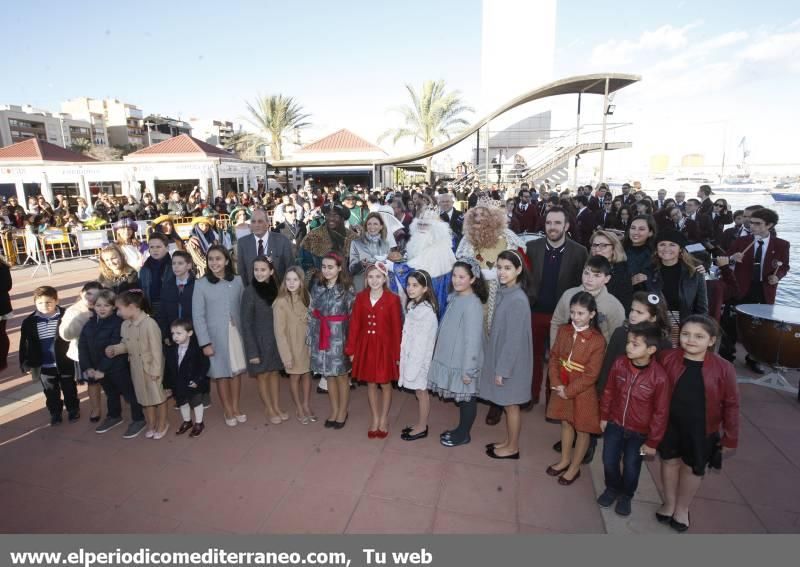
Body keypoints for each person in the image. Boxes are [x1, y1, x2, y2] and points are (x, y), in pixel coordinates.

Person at [656, 316, 740, 532]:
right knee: (669, 462)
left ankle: (682, 508)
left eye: (699, 336)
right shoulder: (666, 358)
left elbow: (731, 404)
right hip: (670, 425)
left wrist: (730, 437)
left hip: (702, 429)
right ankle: (669, 502)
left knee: (692, 468)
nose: (691, 340)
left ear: (711, 340)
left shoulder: (724, 368)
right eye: (686, 334)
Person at [597, 323, 670, 516]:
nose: (629, 347)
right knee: (608, 460)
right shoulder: (620, 363)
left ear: (651, 349)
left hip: (639, 433)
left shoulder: (660, 378)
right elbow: (609, 391)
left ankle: (626, 495)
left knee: (631, 466)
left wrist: (653, 441)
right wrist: (604, 416)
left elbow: (660, 412)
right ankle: (612, 488)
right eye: (629, 342)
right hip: (615, 424)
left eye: (635, 344)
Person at [523, 206, 588, 409]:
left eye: (557, 223)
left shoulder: (579, 252)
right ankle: (530, 396)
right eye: (549, 222)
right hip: (535, 312)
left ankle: (553, 401)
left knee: (558, 360)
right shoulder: (532, 247)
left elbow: (581, 285)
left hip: (562, 317)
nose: (552, 227)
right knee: (531, 358)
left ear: (566, 226)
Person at [546, 292, 606, 485]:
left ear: (592, 314)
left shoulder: (597, 340)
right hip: (561, 384)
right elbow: (554, 357)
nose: (575, 317)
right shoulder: (564, 330)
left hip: (582, 390)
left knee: (582, 429)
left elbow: (591, 374)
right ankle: (564, 459)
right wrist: (557, 383)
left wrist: (569, 390)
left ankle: (575, 467)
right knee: (566, 422)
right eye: (573, 312)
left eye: (581, 313)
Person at [721, 208, 790, 372]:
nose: (753, 227)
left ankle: (753, 358)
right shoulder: (741, 241)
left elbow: (784, 266)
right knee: (730, 324)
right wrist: (732, 258)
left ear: (770, 225)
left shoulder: (781, 245)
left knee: (760, 327)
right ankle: (726, 358)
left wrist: (777, 277)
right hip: (739, 288)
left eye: (758, 224)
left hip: (763, 289)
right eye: (751, 223)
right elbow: (723, 261)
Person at [480, 250, 533, 460]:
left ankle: (513, 448)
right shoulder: (506, 292)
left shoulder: (518, 300)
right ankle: (508, 441)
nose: (502, 272)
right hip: (505, 357)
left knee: (511, 405)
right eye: (499, 267)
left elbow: (513, 341)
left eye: (507, 268)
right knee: (506, 403)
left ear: (519, 270)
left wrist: (502, 369)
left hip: (513, 362)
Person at [430, 259, 488, 448]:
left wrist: (468, 369)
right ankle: (461, 430)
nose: (456, 280)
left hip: (464, 361)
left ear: (472, 279)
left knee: (467, 397)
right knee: (463, 397)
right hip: (451, 357)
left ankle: (464, 434)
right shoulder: (456, 296)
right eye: (454, 276)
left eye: (461, 277)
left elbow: (472, 340)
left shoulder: (473, 304)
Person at [345, 262, 402, 438]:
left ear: (385, 278)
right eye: (370, 277)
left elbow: (396, 329)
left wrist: (397, 354)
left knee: (385, 383)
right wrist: (352, 350)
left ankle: (384, 418)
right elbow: (354, 325)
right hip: (366, 346)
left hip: (385, 348)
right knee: (370, 383)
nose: (374, 280)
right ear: (366, 279)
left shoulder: (393, 299)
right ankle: (375, 418)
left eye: (378, 276)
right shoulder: (360, 298)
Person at [192, 245, 247, 427]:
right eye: (211, 259)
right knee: (221, 373)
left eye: (218, 259)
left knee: (237, 372)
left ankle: (237, 406)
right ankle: (227, 409)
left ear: (227, 261)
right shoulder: (200, 284)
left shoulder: (238, 281)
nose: (214, 262)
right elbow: (198, 316)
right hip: (215, 336)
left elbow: (243, 308)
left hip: (235, 334)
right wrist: (205, 343)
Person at [79, 289, 146, 438]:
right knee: (110, 393)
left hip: (117, 368)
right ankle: (114, 415)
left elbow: (115, 347)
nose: (102, 309)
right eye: (98, 305)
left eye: (106, 305)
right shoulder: (89, 324)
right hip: (98, 369)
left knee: (130, 394)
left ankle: (138, 419)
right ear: (93, 306)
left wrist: (102, 369)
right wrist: (88, 367)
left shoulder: (119, 324)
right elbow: (82, 346)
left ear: (113, 307)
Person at [106, 290, 169, 439]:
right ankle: (151, 423)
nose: (118, 313)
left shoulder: (149, 324)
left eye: (119, 308)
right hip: (136, 367)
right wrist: (116, 349)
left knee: (158, 397)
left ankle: (163, 423)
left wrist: (155, 370)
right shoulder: (125, 325)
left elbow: (156, 350)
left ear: (132, 306)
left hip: (151, 367)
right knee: (144, 397)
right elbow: (126, 344)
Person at [456, 199, 524, 326]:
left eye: (483, 214)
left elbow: (517, 259)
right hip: (475, 289)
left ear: (493, 217)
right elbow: (462, 262)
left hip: (501, 289)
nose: (479, 218)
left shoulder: (506, 237)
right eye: (476, 215)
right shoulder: (468, 238)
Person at [308, 252, 356, 429]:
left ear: (339, 268)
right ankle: (334, 410)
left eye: (330, 267)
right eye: (324, 267)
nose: (326, 271)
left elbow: (354, 317)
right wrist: (311, 339)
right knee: (329, 376)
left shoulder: (347, 289)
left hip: (340, 338)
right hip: (321, 336)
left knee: (342, 376)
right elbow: (312, 312)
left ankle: (343, 411)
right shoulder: (317, 286)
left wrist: (352, 345)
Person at [19, 286, 79, 425]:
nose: (44, 306)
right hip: (44, 365)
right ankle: (55, 412)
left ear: (56, 300)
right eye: (40, 303)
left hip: (65, 361)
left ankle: (73, 409)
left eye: (48, 302)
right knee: (50, 391)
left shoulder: (66, 315)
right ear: (35, 303)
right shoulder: (29, 322)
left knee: (69, 387)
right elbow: (25, 344)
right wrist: (25, 363)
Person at [241, 256, 286, 424]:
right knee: (263, 376)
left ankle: (276, 405)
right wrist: (252, 351)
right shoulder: (249, 292)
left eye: (263, 269)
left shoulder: (278, 289)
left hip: (275, 341)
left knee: (274, 373)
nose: (259, 273)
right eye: (256, 270)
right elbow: (246, 323)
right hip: (258, 342)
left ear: (271, 271)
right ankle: (269, 408)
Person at [646, 229, 709, 342]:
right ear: (656, 248)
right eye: (662, 244)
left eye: (672, 245)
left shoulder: (694, 273)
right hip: (654, 325)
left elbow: (702, 308)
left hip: (684, 326)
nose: (666, 249)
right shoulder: (649, 271)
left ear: (680, 249)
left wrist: (695, 330)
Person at [398, 270, 438, 441]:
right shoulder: (414, 306)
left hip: (420, 360)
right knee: (418, 392)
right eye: (408, 285)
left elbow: (422, 344)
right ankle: (420, 423)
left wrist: (413, 364)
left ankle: (422, 426)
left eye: (415, 285)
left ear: (425, 289)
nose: (410, 289)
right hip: (411, 357)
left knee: (422, 392)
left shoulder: (426, 312)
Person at [273, 266, 316, 424]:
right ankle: (298, 406)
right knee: (295, 376)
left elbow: (312, 321)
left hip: (306, 345)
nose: (291, 283)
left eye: (295, 280)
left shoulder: (306, 297)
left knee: (306, 375)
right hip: (291, 346)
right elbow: (280, 333)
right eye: (288, 279)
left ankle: (305, 404)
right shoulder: (280, 302)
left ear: (301, 282)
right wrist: (286, 356)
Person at [59, 281, 103, 422]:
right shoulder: (74, 311)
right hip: (84, 353)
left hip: (103, 351)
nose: (91, 299)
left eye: (96, 296)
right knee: (92, 382)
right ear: (81, 293)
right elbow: (66, 334)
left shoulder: (103, 306)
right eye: (88, 294)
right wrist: (81, 320)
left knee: (109, 380)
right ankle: (95, 408)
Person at [165, 319, 210, 438]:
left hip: (192, 382)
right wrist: (167, 386)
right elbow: (168, 369)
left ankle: (199, 423)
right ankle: (187, 421)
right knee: (182, 402)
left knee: (196, 402)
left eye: (179, 333)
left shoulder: (197, 349)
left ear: (189, 333)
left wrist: (197, 380)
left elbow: (205, 365)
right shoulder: (171, 349)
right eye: (173, 333)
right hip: (178, 382)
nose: (175, 337)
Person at [299, 203, 358, 278]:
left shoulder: (353, 238)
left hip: (346, 283)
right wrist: (318, 275)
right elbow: (303, 263)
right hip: (320, 283)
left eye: (335, 215)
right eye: (327, 215)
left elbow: (357, 265)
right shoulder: (313, 236)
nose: (331, 218)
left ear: (342, 218)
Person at [237, 208, 295, 284]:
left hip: (278, 291)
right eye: (253, 222)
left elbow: (290, 268)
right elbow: (242, 272)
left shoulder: (282, 241)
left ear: (267, 223)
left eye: (260, 221)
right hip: (253, 292)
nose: (256, 225)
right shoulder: (242, 243)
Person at [589, 230, 633, 314]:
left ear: (614, 249)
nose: (597, 249)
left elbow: (624, 306)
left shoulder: (622, 273)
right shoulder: (588, 268)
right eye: (594, 245)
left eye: (603, 245)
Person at [349, 213, 392, 292]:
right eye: (369, 224)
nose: (372, 227)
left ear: (381, 226)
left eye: (375, 224)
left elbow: (388, 266)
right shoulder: (356, 243)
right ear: (365, 226)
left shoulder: (386, 244)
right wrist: (361, 264)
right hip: (361, 284)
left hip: (380, 285)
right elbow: (351, 269)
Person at [138, 233, 173, 318]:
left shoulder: (174, 266)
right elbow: (142, 290)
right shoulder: (144, 269)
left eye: (158, 247)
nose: (155, 250)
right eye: (152, 247)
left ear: (167, 248)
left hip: (170, 306)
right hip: (151, 307)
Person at [624, 215, 657, 291]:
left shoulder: (652, 255)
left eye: (641, 229)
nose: (635, 232)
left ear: (650, 233)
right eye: (633, 228)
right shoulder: (619, 248)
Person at [0, 255, 12, 371]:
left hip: (2, 306)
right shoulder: (4, 266)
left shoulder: (3, 267)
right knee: (2, 333)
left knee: (1, 334)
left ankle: (2, 361)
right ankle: (2, 361)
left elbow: (7, 286)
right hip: (3, 305)